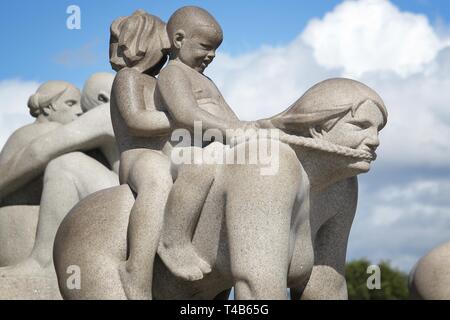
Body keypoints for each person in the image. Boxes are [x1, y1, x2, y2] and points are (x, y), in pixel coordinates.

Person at [0, 73, 118, 282]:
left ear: (101, 99)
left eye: (81, 105)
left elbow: (39, 151)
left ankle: (44, 262)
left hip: (123, 197)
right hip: (145, 188)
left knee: (65, 164)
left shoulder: (106, 112)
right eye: (72, 104)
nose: (81, 112)